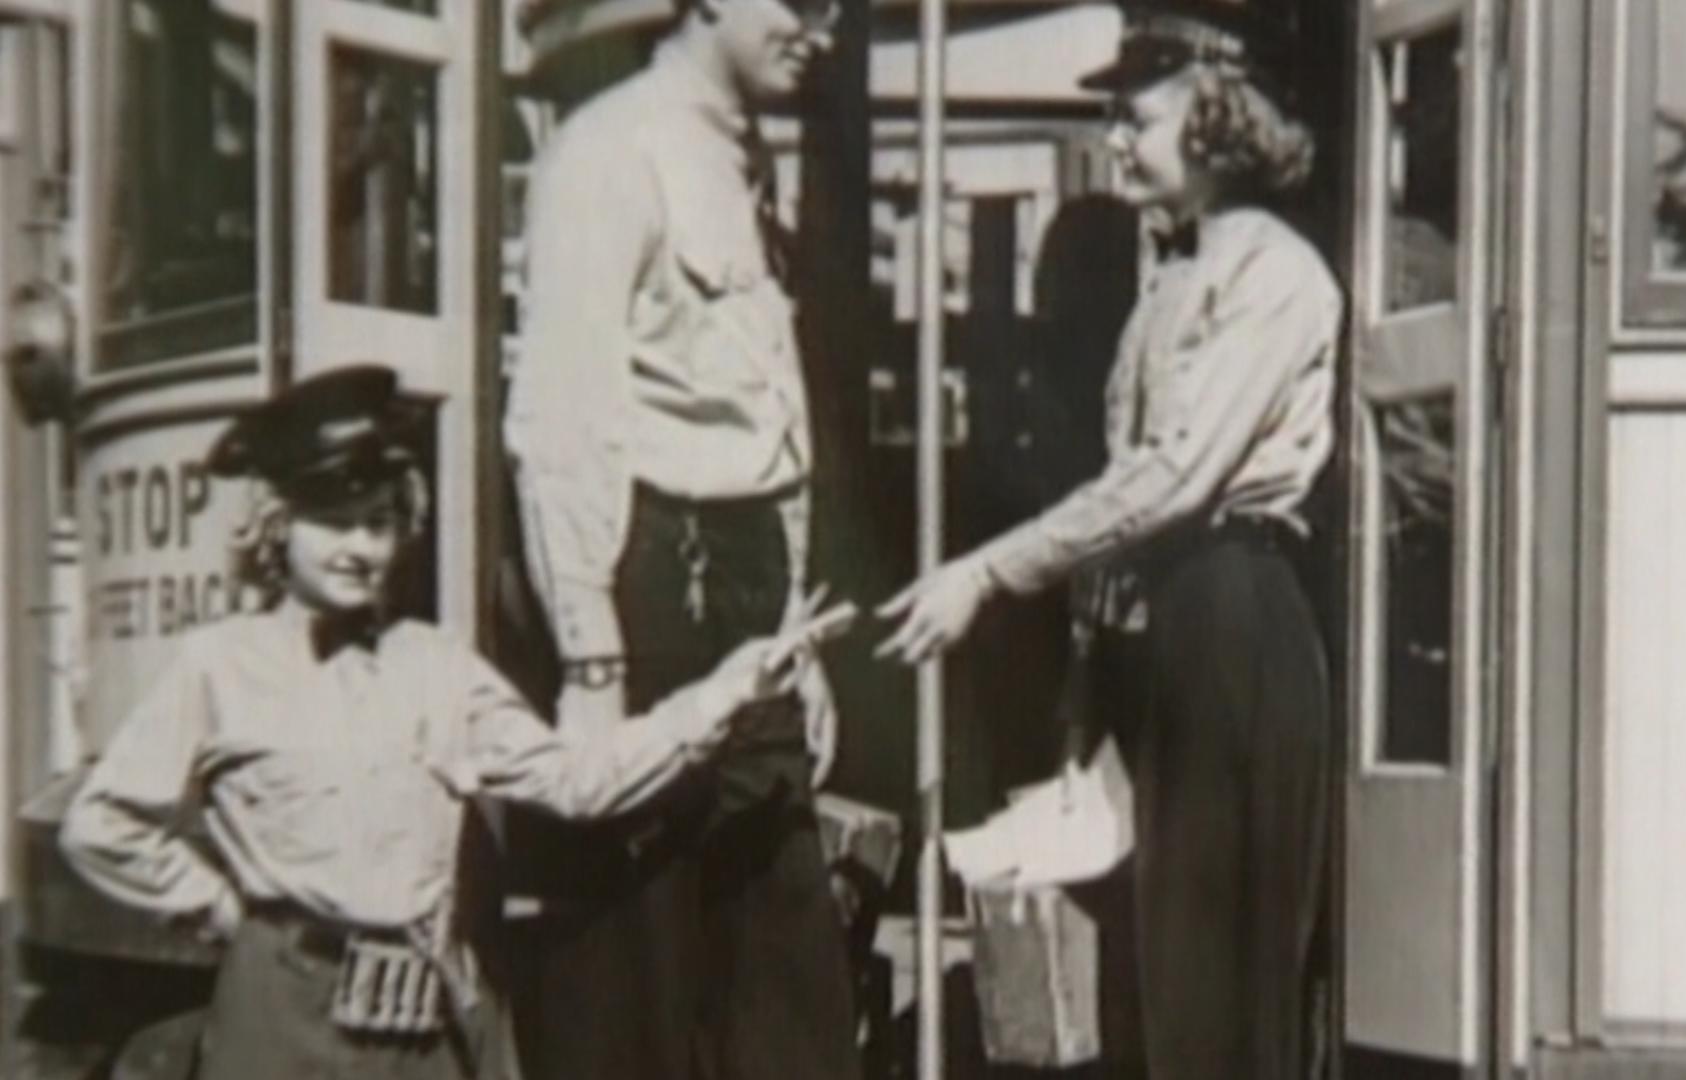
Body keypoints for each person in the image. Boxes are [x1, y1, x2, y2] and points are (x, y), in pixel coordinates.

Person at [60, 365, 805, 1080]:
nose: (360, 547)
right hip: (281, 1010)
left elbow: (574, 781)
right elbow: (101, 822)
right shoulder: (217, 665)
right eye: (334, 523)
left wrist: (715, 697)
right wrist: (221, 909)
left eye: (379, 523)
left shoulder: (438, 668)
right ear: (277, 528)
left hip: (418, 1014)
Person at [877, 3, 1340, 1076]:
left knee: (1217, 982)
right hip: (1165, 626)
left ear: (1218, 115)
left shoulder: (1271, 272)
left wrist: (989, 573)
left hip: (1232, 618)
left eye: (1138, 117)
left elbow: (1171, 479)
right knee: (1157, 976)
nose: (1118, 140)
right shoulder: (1179, 276)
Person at [499, 0, 859, 1073]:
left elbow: (769, 420)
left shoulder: (739, 160)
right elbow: (561, 426)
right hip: (648, 589)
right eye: (803, 3)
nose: (824, 30)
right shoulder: (607, 153)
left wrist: (798, 642)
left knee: (788, 1004)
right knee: (638, 994)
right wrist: (592, 665)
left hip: (749, 600)